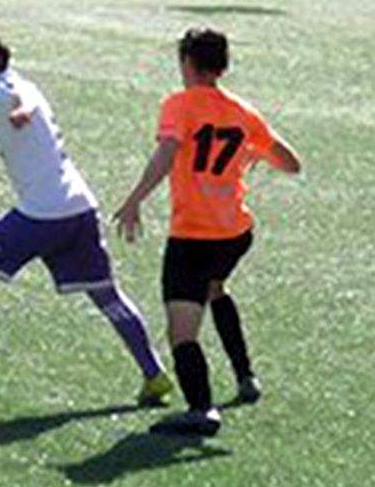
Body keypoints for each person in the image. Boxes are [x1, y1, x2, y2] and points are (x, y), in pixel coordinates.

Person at [0, 33, 171, 406]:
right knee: (105, 294)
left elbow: (18, 104)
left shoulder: (5, 92)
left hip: (42, 215)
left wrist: (23, 110)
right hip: (79, 208)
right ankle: (154, 373)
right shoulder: (15, 84)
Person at [112, 28, 301, 438]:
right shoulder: (241, 111)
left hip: (193, 236)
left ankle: (202, 409)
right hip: (234, 233)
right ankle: (245, 376)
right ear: (223, 66)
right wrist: (252, 152)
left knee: (182, 329)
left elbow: (167, 152)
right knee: (214, 289)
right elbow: (291, 163)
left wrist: (134, 199)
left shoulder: (179, 104)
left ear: (187, 64)